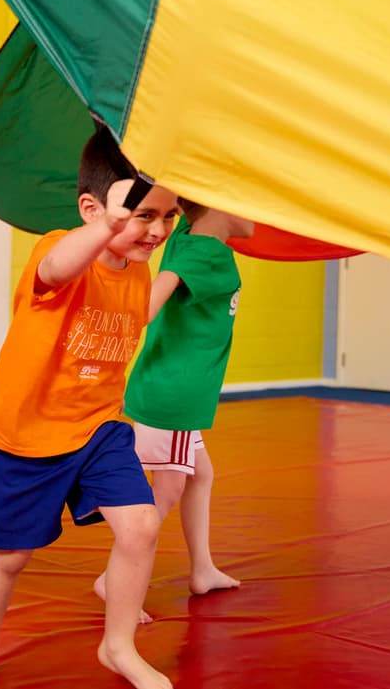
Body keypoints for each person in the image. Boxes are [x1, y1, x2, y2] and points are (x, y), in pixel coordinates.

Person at [0, 128, 180, 689]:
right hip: (25, 433)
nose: (158, 230)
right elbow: (57, 269)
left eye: (169, 215)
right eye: (144, 215)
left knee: (141, 526)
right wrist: (106, 227)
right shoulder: (58, 249)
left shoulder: (140, 270)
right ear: (92, 210)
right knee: (10, 556)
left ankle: (118, 645)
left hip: (98, 426)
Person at [95, 200, 253, 621]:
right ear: (220, 206)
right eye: (247, 202)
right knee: (164, 495)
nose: (255, 214)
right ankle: (112, 581)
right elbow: (145, 308)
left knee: (201, 475)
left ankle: (202, 569)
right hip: (176, 396)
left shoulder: (187, 233)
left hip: (165, 386)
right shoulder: (206, 251)